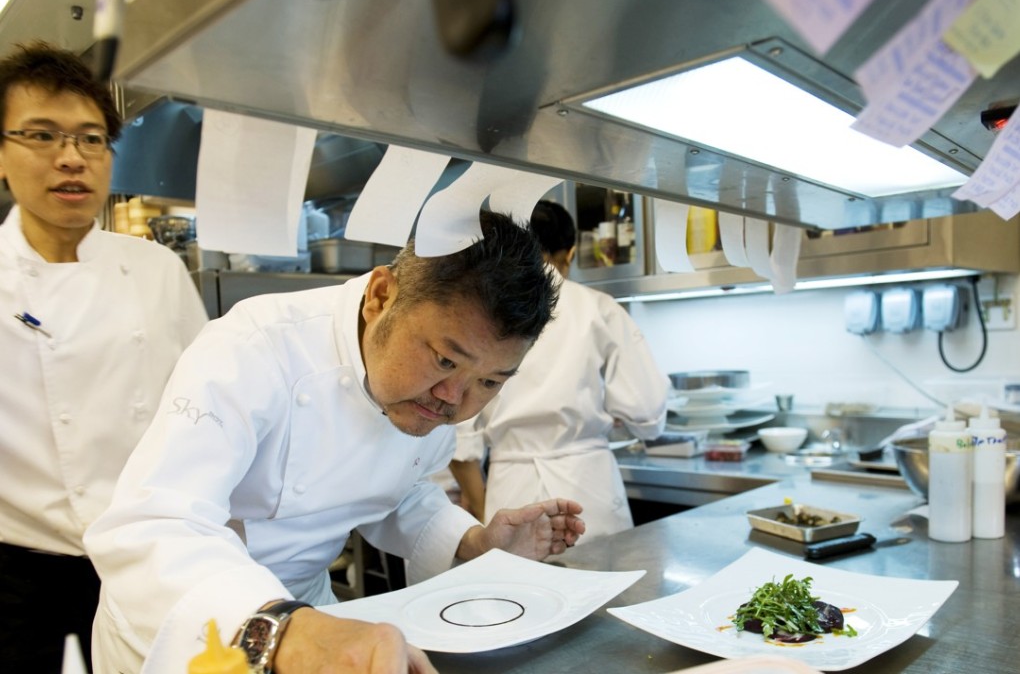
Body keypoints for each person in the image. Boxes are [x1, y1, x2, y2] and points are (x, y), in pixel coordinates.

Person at [84, 210, 586, 674]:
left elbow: (399, 488)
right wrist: (287, 630)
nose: (453, 399)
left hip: (316, 614)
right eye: (445, 361)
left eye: (491, 382)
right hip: (195, 624)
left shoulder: (432, 394)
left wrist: (473, 542)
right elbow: (156, 524)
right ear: (381, 296)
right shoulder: (253, 347)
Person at [0, 42, 208, 671]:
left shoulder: (156, 270)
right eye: (43, 135)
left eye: (91, 139)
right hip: (17, 570)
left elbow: (206, 406)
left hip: (145, 557)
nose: (71, 158)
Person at [449, 200, 669, 539]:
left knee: (519, 590)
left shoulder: (483, 314)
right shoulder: (599, 308)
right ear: (570, 253)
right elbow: (648, 415)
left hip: (511, 491)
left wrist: (479, 506)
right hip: (589, 490)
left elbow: (458, 434)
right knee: (605, 589)